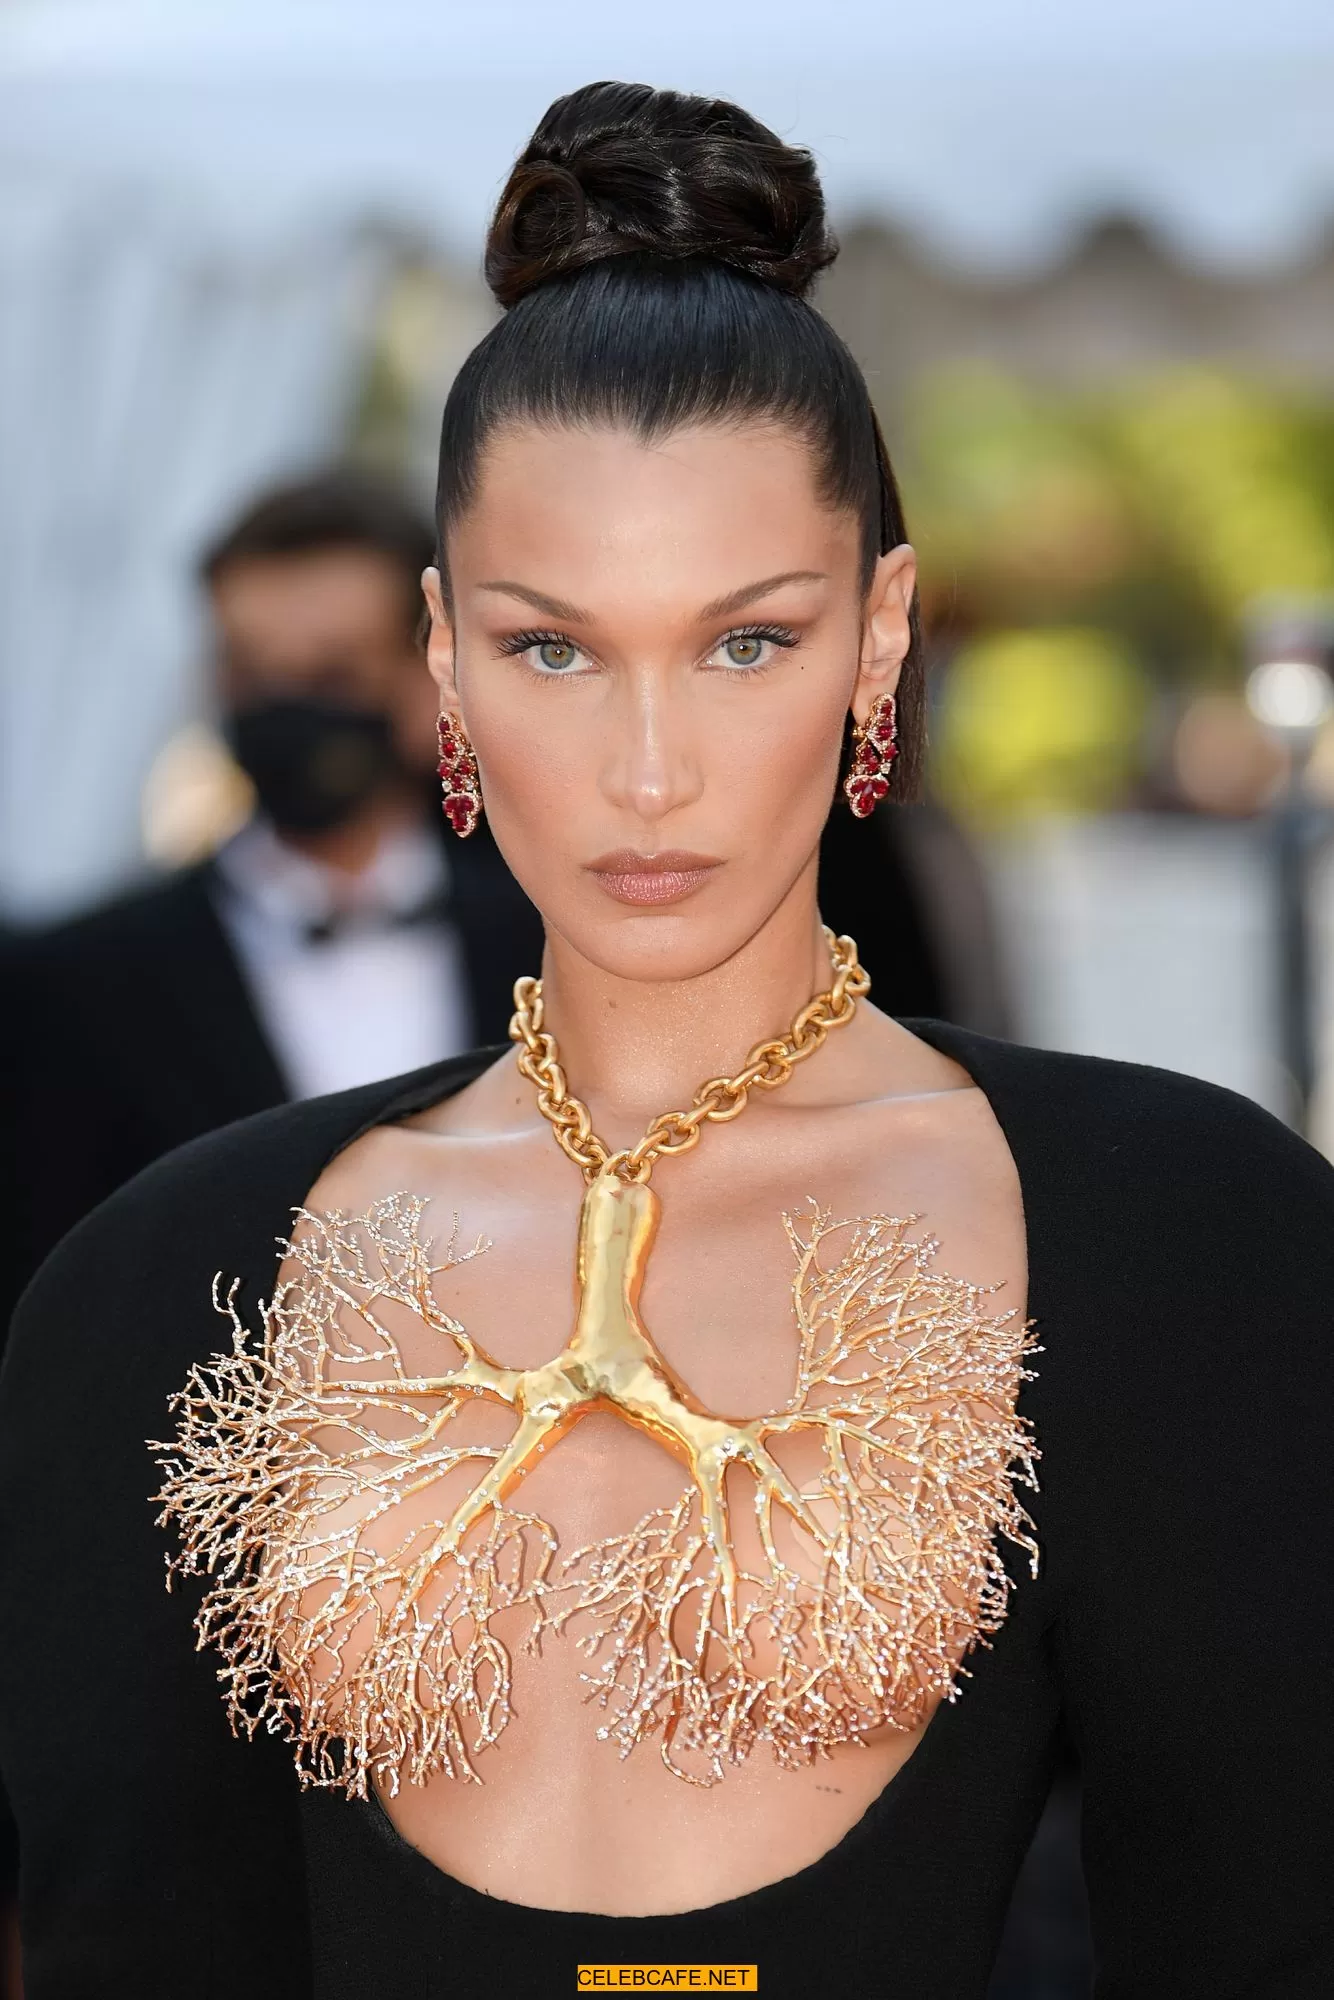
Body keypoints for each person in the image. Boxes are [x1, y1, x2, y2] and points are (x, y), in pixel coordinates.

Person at [2, 82, 1329, 2000]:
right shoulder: (156, 1292)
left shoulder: (1186, 1238)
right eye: (554, 648)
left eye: (743, 642)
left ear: (877, 640)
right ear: (440, 659)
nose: (646, 771)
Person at [2, 471, 545, 1331]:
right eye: (253, 674)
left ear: (428, 677)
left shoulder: (555, 937)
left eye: (333, 674)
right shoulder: (73, 983)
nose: (287, 712)